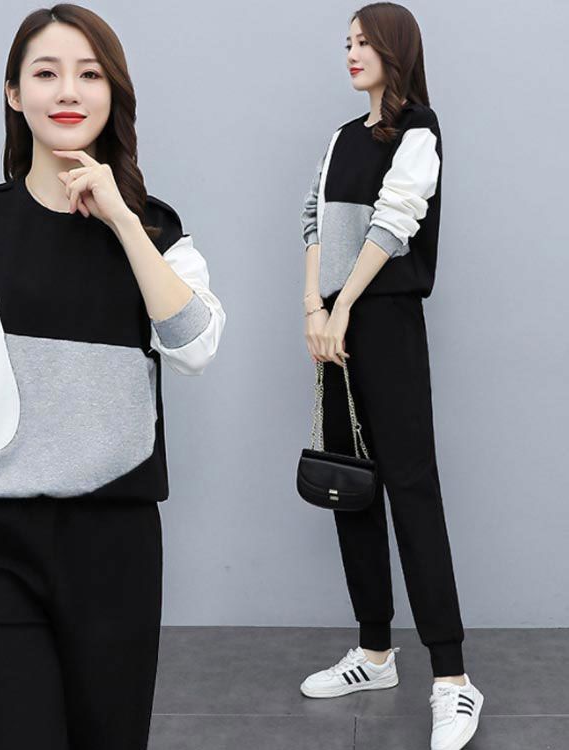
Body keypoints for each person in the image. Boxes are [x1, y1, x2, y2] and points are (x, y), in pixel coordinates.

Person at [0, 5, 225, 749]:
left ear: (113, 93)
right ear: (15, 93)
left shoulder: (157, 229)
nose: (68, 90)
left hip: (116, 542)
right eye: (46, 73)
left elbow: (195, 344)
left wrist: (122, 220)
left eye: (90, 74)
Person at [297, 5, 483, 750]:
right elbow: (313, 221)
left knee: (411, 487)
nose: (351, 52)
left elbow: (395, 220)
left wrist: (344, 306)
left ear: (396, 50)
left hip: (385, 322)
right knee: (351, 484)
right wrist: (314, 308)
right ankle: (375, 653)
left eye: (365, 41)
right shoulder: (340, 137)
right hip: (332, 324)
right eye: (346, 42)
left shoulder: (419, 128)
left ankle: (453, 678)